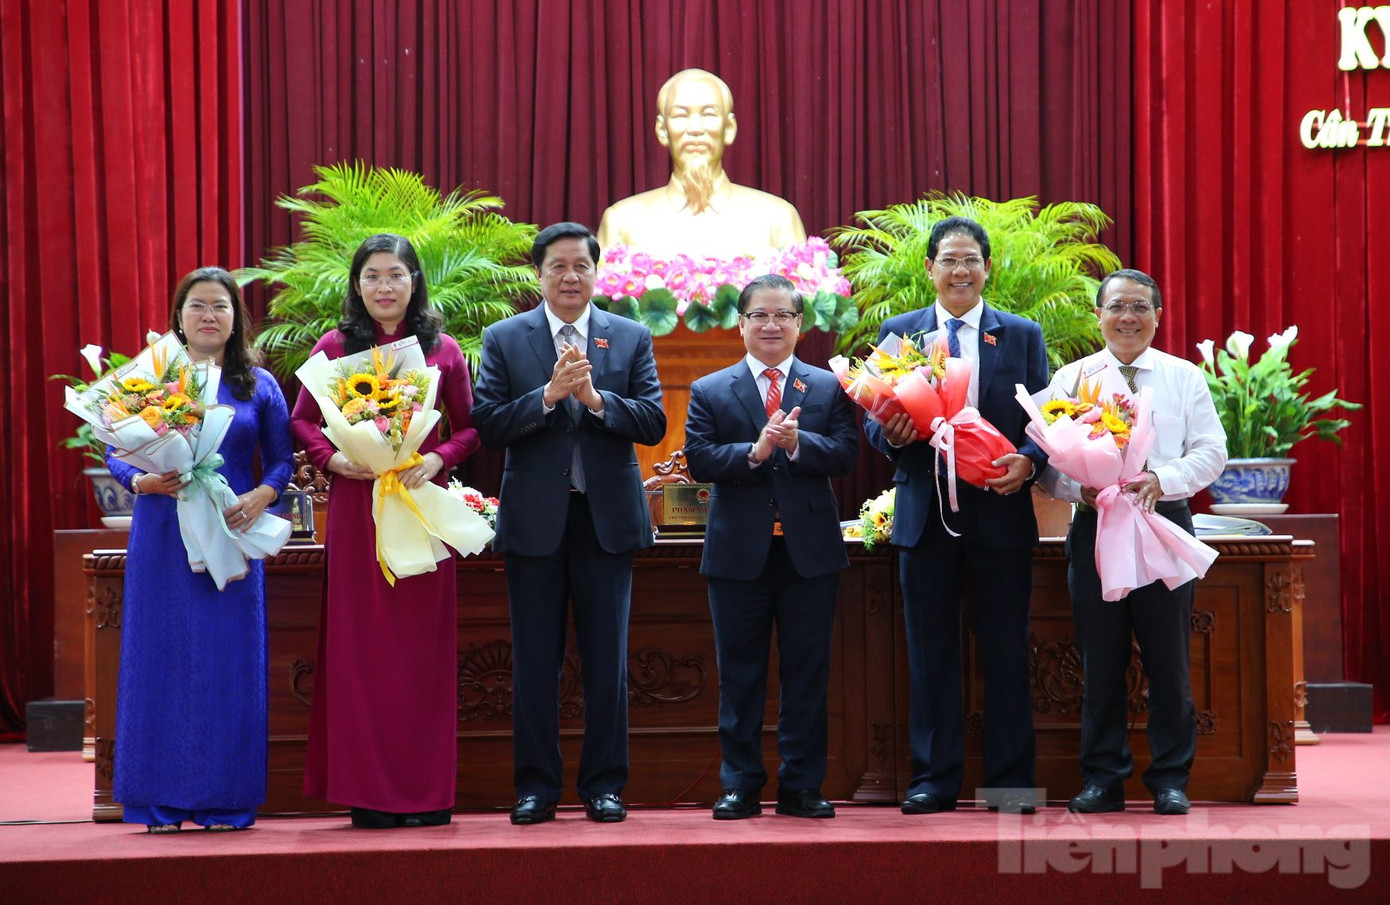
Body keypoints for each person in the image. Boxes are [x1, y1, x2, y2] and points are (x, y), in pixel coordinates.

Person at [473, 222, 666, 825]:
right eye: (557, 266)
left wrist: (598, 401)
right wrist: (549, 396)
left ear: (595, 271)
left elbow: (654, 422)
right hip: (536, 523)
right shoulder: (506, 338)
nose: (569, 277)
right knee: (535, 660)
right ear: (539, 274)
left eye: (580, 266)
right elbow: (488, 425)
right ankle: (536, 786)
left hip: (605, 521)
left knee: (608, 661)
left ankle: (605, 784)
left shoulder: (629, 337)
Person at [291, 233, 482, 829]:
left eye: (395, 275)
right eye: (371, 276)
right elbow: (301, 420)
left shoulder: (443, 348)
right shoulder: (334, 347)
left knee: (420, 652)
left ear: (414, 281)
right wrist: (333, 460)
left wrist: (438, 459)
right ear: (357, 285)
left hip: (419, 502)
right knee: (361, 650)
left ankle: (428, 794)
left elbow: (471, 428)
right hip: (357, 506)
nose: (384, 287)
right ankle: (368, 793)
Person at [863, 216, 1049, 815]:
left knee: (1005, 651)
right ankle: (933, 781)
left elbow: (1047, 422)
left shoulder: (1019, 335)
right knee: (930, 653)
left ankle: (1011, 783)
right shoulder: (902, 332)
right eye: (948, 259)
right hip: (925, 515)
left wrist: (1027, 462)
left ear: (987, 267)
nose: (960, 270)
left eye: (971, 259)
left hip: (999, 514)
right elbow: (874, 417)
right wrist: (889, 433)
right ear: (930, 269)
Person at [107, 267, 294, 832]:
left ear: (237, 319)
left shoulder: (257, 385)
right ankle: (156, 801)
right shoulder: (150, 379)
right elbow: (116, 449)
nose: (209, 315)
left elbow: (281, 461)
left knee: (226, 665)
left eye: (220, 306)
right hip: (162, 535)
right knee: (158, 660)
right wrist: (140, 481)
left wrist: (263, 495)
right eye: (197, 306)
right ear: (179, 317)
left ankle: (225, 799)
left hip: (229, 535)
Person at [1039, 269, 1226, 816]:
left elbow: (1211, 451)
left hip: (1161, 522)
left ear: (1158, 316)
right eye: (1117, 306)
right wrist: (1085, 487)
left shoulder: (1182, 377)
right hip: (1095, 528)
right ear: (1097, 315)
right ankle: (1103, 779)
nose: (1128, 317)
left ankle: (1170, 779)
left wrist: (1161, 479)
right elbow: (1048, 468)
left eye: (1140, 307)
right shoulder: (1071, 379)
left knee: (1169, 661)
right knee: (1100, 661)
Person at [683, 274, 859, 820]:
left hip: (808, 555)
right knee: (740, 675)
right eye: (759, 315)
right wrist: (755, 452)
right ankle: (739, 785)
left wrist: (800, 443)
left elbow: (848, 453)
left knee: (808, 674)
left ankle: (802, 786)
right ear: (741, 323)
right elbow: (701, 459)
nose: (771, 325)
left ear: (800, 325)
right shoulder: (711, 388)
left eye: (783, 315)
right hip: (739, 554)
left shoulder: (825, 386)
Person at [597, 68, 806, 257]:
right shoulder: (622, 222)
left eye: (708, 114)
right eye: (680, 115)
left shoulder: (777, 219)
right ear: (662, 130)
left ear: (729, 128)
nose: (695, 128)